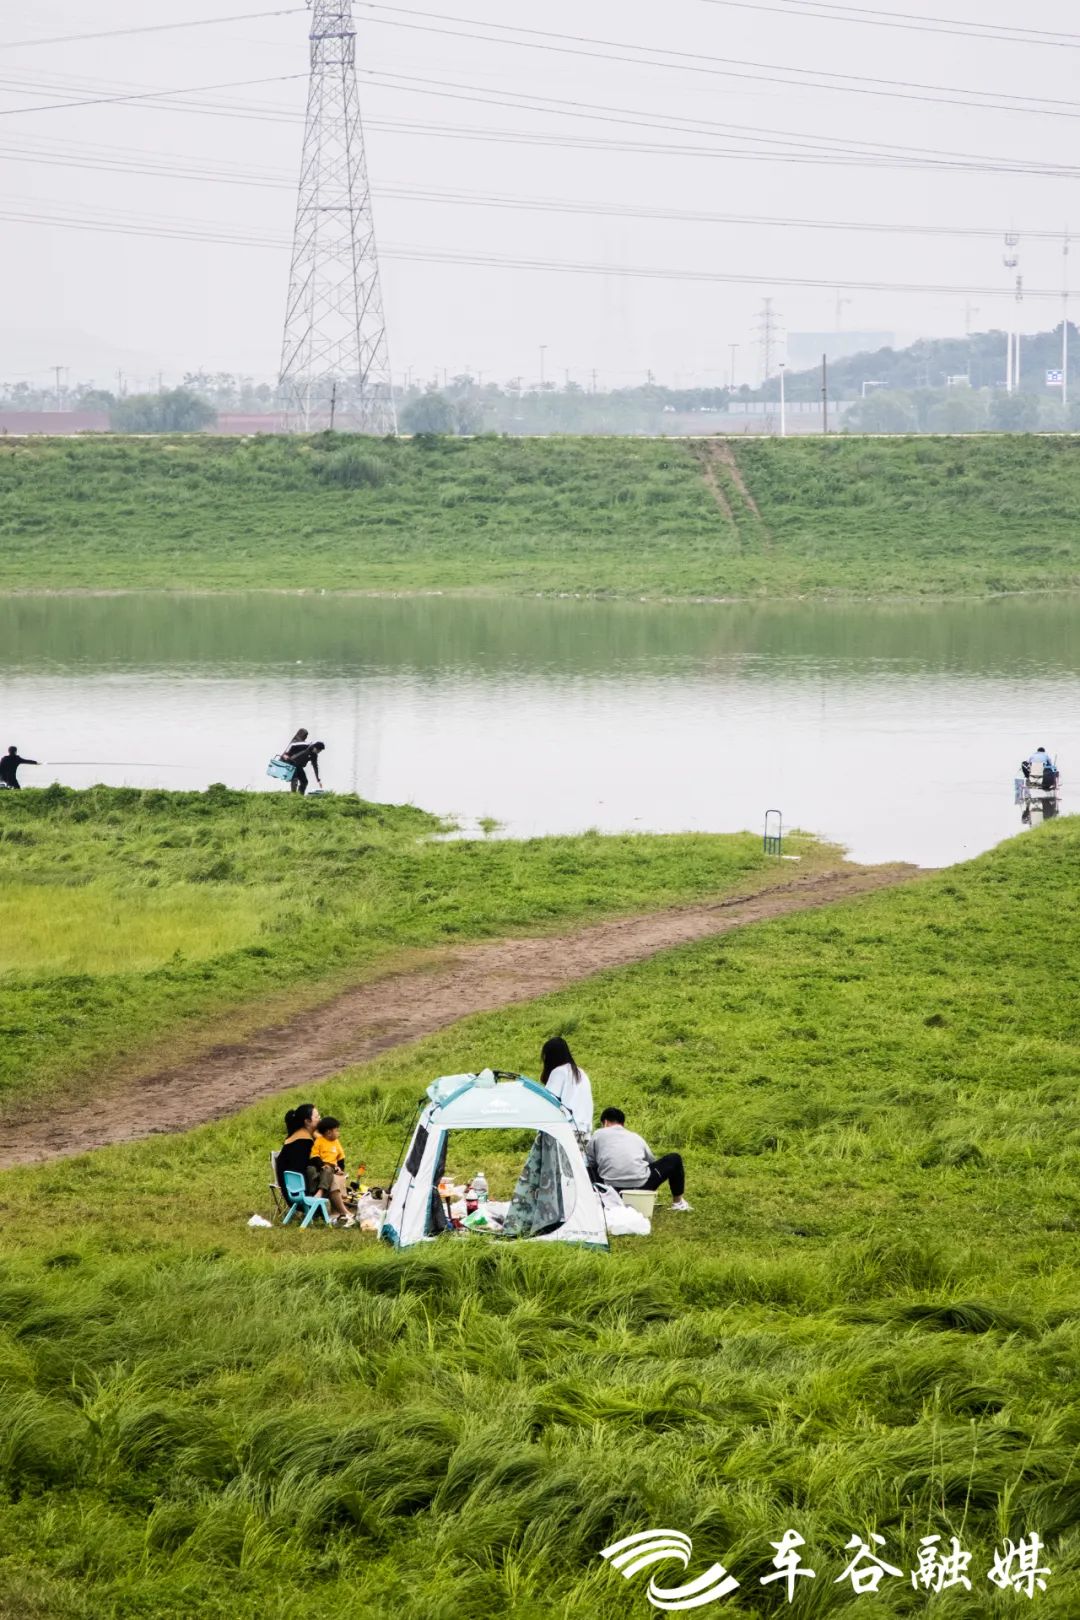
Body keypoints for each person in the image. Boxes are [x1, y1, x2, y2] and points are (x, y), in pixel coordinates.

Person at [585, 1106, 692, 1212]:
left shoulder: (598, 1133)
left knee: (585, 1166)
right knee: (675, 1158)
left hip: (610, 1189)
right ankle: (678, 1202)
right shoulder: (635, 1137)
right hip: (643, 1187)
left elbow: (590, 1160)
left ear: (605, 1122)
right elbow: (650, 1161)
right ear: (622, 1123)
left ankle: (589, 1201)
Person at [276, 1103, 351, 1225]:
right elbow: (308, 1166)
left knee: (328, 1172)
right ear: (307, 1121)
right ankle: (342, 1212)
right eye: (317, 1117)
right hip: (300, 1191)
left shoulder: (299, 1135)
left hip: (293, 1189)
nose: (320, 1119)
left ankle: (340, 1210)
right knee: (329, 1175)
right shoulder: (303, 1142)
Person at [540, 1035, 593, 1138]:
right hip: (584, 1130)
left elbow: (548, 1101)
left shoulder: (559, 1072)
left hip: (566, 1130)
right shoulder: (581, 1073)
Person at [309, 1115, 353, 1224]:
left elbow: (341, 1157)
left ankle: (323, 1194)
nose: (338, 1133)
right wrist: (321, 1165)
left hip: (332, 1168)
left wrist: (340, 1168)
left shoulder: (336, 1142)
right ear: (328, 1132)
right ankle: (321, 1192)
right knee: (324, 1170)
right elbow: (314, 1155)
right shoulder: (319, 1141)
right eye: (337, 1130)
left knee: (332, 1172)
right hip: (321, 1167)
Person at [282, 731, 325, 796]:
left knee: (304, 781)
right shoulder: (305, 745)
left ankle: (300, 795)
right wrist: (286, 754)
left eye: (320, 751)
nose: (318, 752)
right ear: (315, 747)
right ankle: (293, 795)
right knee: (295, 779)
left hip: (299, 766)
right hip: (291, 762)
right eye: (318, 750)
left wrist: (318, 779)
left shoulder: (314, 755)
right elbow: (292, 744)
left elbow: (315, 766)